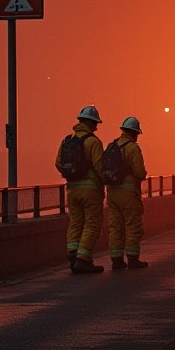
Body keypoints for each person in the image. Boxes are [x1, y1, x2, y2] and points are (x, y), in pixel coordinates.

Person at [57, 105, 106, 274]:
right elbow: (100, 166)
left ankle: (73, 253)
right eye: (95, 123)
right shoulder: (93, 141)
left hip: (72, 189)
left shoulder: (67, 140)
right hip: (90, 190)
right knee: (92, 223)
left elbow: (58, 163)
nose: (96, 127)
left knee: (76, 222)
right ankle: (83, 259)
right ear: (91, 123)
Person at [104, 117, 150, 269]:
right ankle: (133, 259)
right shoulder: (132, 148)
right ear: (135, 133)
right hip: (128, 194)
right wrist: (143, 174)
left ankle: (116, 260)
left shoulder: (112, 146)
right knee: (132, 225)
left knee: (115, 226)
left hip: (112, 192)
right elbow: (139, 172)